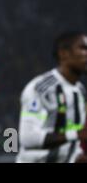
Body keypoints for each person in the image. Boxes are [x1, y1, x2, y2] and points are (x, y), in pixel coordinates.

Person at [17, 31, 87, 162]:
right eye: (83, 48)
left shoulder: (80, 91)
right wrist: (77, 134)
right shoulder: (42, 89)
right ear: (64, 53)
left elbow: (71, 141)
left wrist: (77, 157)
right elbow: (28, 138)